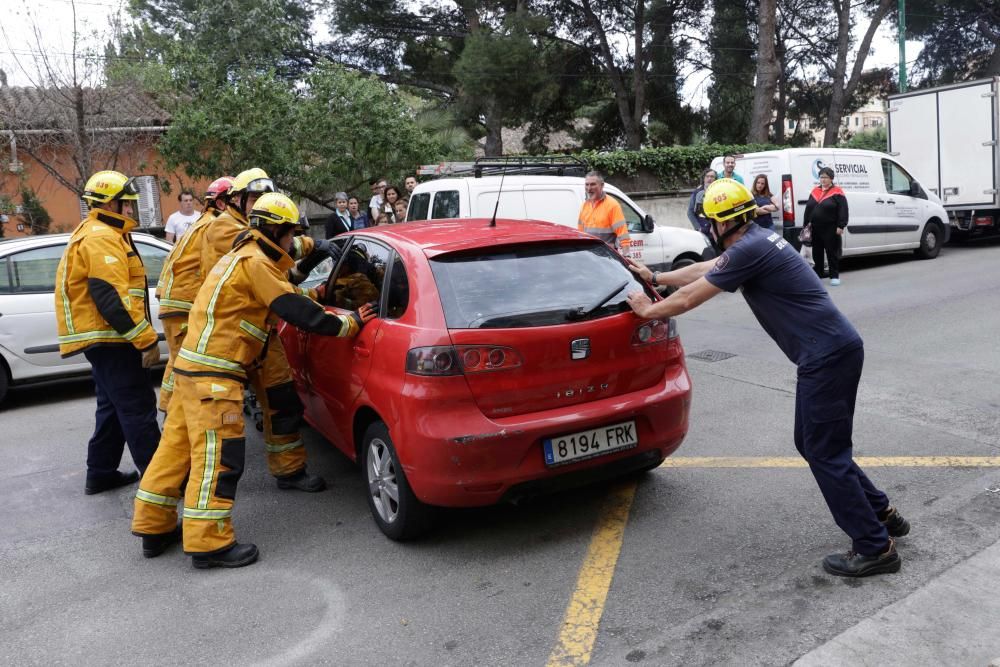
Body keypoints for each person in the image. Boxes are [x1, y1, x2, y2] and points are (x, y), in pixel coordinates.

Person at [625, 178, 909, 578]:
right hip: (833, 352)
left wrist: (647, 311)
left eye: (710, 221)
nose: (708, 228)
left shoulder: (750, 248)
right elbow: (709, 269)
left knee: (825, 452)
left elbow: (691, 298)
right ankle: (883, 514)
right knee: (815, 444)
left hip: (826, 357)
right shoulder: (757, 240)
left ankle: (875, 547)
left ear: (721, 224)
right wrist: (655, 278)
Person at [132, 193, 376, 567]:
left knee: (175, 452)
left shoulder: (242, 258)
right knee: (218, 459)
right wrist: (351, 322)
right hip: (215, 376)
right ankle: (209, 543)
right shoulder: (257, 263)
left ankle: (153, 525)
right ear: (276, 230)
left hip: (191, 372)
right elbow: (296, 311)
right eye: (291, 233)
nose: (293, 241)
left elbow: (279, 295)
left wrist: (318, 292)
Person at [198, 167, 341, 493]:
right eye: (255, 198)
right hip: (229, 339)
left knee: (282, 401)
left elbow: (284, 278)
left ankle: (289, 470)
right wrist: (311, 245)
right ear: (237, 200)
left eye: (264, 198)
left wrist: (309, 262)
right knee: (219, 426)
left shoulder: (254, 236)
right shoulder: (226, 229)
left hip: (261, 334)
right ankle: (201, 497)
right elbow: (279, 260)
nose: (260, 204)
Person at [54, 170, 161, 494]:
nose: (131, 210)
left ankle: (100, 472)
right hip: (113, 339)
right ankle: (162, 485)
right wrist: (146, 341)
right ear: (110, 204)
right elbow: (110, 299)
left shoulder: (103, 232)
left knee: (112, 406)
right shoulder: (101, 236)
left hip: (106, 339)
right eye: (126, 204)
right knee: (138, 408)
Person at [156, 176, 233, 412]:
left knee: (176, 359)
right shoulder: (215, 226)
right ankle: (173, 416)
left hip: (175, 300)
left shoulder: (202, 221)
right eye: (236, 200)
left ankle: (169, 411)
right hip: (184, 301)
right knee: (182, 363)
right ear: (222, 203)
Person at [804, 166, 848, 286]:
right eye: (821, 177)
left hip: (831, 227)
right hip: (815, 227)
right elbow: (808, 209)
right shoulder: (814, 191)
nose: (823, 180)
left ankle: (834, 276)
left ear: (831, 178)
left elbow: (843, 210)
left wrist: (841, 225)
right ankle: (818, 274)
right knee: (817, 252)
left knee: (831, 252)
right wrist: (806, 225)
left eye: (826, 177)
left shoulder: (837, 192)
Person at [578, 170, 631, 257]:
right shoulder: (585, 206)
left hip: (607, 258)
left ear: (602, 185)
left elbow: (623, 235)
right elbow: (580, 234)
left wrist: (627, 255)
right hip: (589, 256)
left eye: (593, 184)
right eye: (587, 184)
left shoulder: (612, 205)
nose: (589, 188)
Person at [687, 168, 717, 236]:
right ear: (703, 178)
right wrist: (698, 228)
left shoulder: (719, 192)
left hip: (717, 229)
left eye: (712, 176)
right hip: (703, 229)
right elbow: (690, 212)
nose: (709, 178)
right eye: (707, 176)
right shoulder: (697, 193)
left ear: (715, 179)